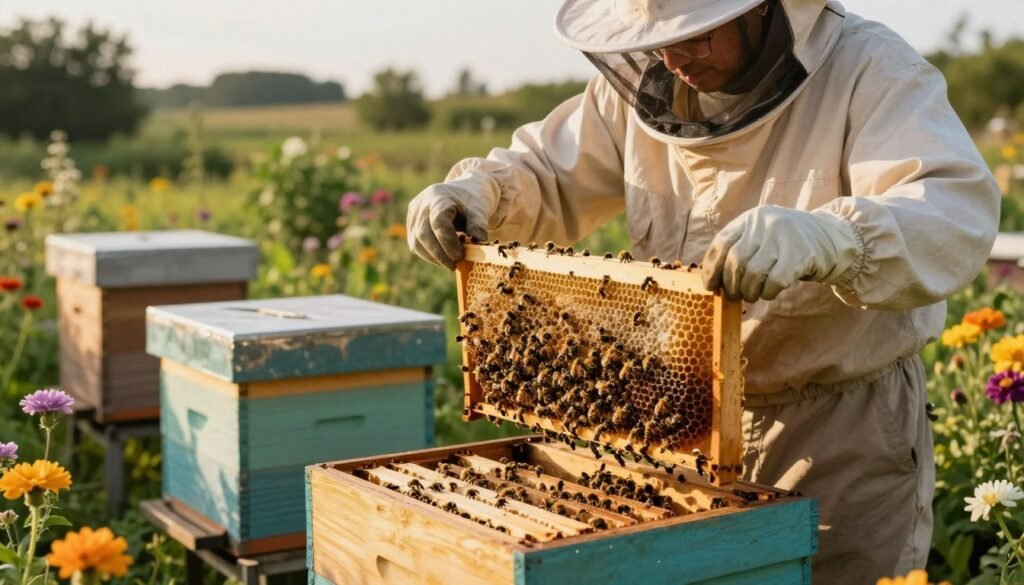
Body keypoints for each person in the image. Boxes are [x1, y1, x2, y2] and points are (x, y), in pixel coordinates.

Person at [406, 0, 1000, 582]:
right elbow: (548, 170)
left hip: (838, 430)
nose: (673, 55)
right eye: (658, 36)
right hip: (680, 419)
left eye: (697, 34)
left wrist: (835, 236)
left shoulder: (871, 70)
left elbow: (950, 208)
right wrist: (479, 192)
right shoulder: (643, 87)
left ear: (763, 9)